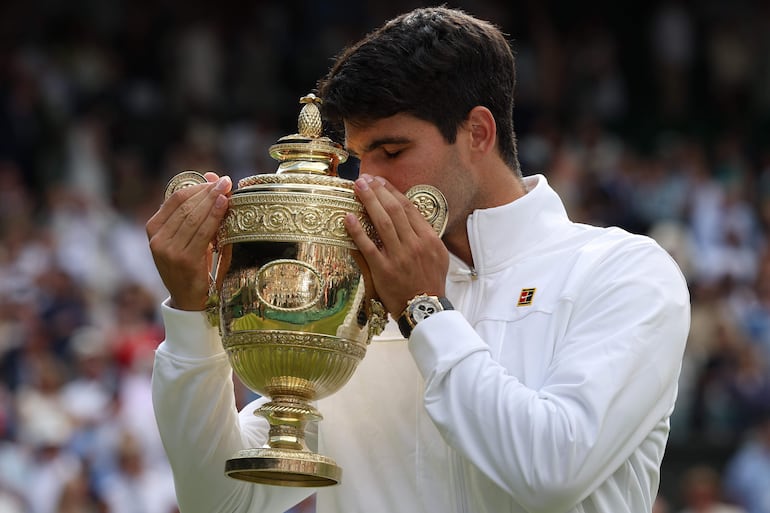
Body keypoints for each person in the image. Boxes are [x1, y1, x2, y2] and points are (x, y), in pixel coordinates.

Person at [147, 7, 690, 513]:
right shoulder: (356, 289)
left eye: (393, 151)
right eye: (359, 160)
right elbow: (221, 498)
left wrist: (424, 312)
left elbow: (552, 470)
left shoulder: (626, 272)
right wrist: (193, 315)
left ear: (478, 132)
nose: (369, 183)